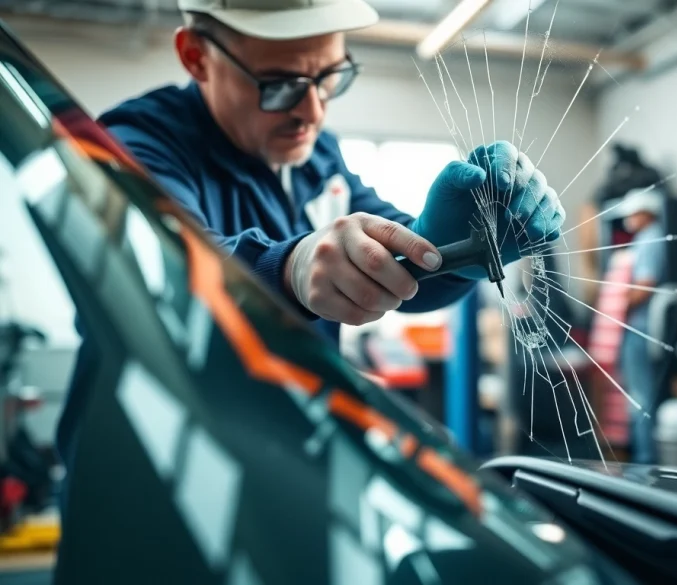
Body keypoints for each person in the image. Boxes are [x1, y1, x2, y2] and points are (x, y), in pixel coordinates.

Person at [55, 0, 563, 510]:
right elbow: (160, 275)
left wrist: (452, 248)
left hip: (277, 474)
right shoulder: (130, 146)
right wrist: (286, 269)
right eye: (280, 85)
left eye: (329, 78)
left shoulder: (317, 156)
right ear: (197, 56)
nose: (313, 111)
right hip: (153, 488)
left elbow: (392, 261)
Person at [614, 187, 666, 465]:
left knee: (639, 395)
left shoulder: (649, 239)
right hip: (644, 328)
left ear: (646, 212)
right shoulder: (651, 238)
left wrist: (615, 303)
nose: (629, 220)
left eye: (633, 213)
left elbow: (645, 285)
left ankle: (645, 460)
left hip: (640, 329)